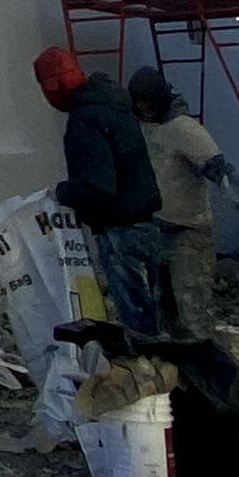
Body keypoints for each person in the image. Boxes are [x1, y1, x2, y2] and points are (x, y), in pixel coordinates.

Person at [33, 46, 169, 334]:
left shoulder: (85, 119)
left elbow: (98, 187)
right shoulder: (116, 106)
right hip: (147, 226)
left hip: (120, 231)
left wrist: (63, 193)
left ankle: (147, 361)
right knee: (162, 319)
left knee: (139, 326)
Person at [128, 65, 239, 334]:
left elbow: (221, 172)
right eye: (138, 103)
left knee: (193, 313)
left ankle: (204, 358)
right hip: (156, 232)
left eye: (147, 103)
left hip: (188, 234)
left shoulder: (185, 129)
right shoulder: (143, 128)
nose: (143, 109)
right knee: (164, 316)